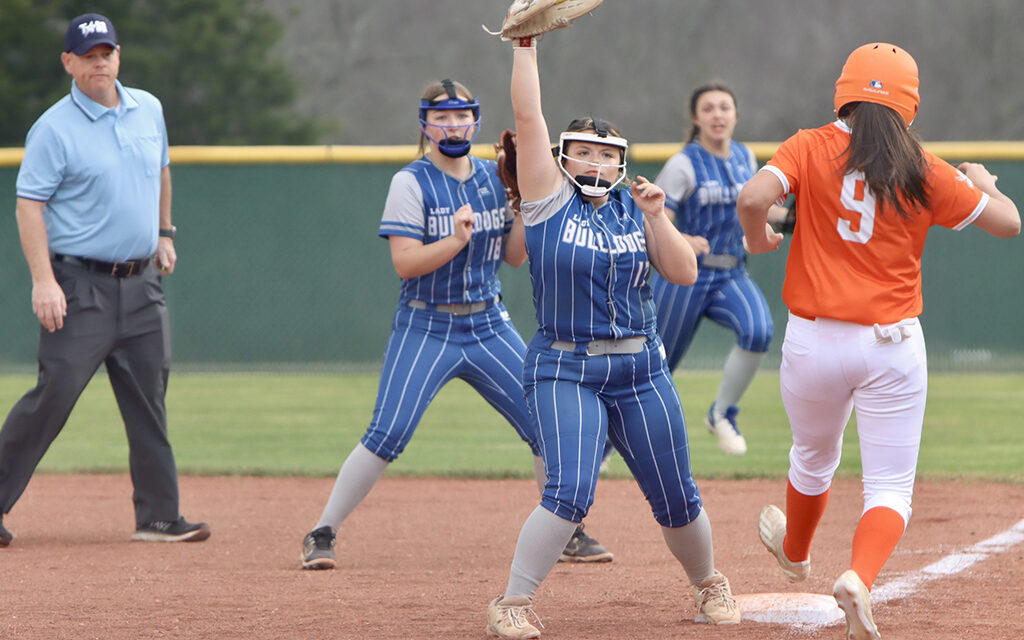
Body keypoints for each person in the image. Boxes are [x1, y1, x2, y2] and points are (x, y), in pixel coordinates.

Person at [737, 42, 1020, 640]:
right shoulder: (925, 166)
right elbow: (1008, 223)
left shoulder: (810, 144)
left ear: (843, 93)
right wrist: (989, 185)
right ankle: (859, 578)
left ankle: (795, 551)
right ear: (910, 104)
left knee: (812, 457)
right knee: (889, 485)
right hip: (891, 344)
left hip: (813, 341)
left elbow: (753, 199)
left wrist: (760, 240)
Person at [484, 35, 740, 639]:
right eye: (583, 155)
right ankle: (513, 602)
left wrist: (657, 216)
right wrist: (525, 46)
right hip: (564, 368)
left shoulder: (635, 206)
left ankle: (708, 584)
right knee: (570, 489)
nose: (595, 165)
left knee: (676, 495)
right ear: (562, 159)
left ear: (621, 162)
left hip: (641, 369)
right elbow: (528, 114)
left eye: (606, 156)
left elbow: (682, 271)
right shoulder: (547, 201)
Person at [300, 78, 612, 570]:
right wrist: (453, 240)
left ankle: (568, 530)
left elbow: (513, 258)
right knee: (389, 433)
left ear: (476, 119)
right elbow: (405, 263)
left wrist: (523, 207)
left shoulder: (495, 176)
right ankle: (322, 531)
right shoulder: (411, 181)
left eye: (462, 114)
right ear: (424, 124)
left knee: (542, 424)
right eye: (442, 116)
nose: (453, 124)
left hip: (488, 324)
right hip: (427, 324)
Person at [0, 13, 209, 547]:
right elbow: (29, 206)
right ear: (68, 63)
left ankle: (160, 517)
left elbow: (160, 167)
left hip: (142, 284)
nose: (100, 63)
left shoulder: (149, 109)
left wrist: (164, 230)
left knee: (149, 397)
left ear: (119, 56)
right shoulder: (52, 128)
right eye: (88, 55)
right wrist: (42, 280)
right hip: (78, 285)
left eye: (107, 53)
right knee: (56, 393)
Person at [650, 82, 789, 456]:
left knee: (758, 330)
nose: (717, 115)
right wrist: (682, 241)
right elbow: (655, 221)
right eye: (708, 108)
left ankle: (722, 413)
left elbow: (762, 207)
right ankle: (609, 445)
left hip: (729, 272)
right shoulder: (684, 163)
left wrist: (793, 217)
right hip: (684, 274)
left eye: (724, 108)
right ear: (696, 118)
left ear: (736, 116)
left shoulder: (745, 157)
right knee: (655, 366)